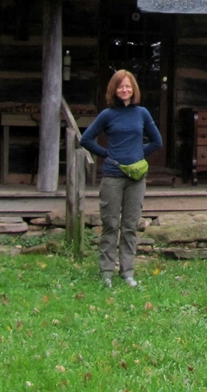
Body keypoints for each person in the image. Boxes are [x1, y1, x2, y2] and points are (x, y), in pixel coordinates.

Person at [80, 69, 162, 289]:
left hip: (136, 178)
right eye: (120, 86)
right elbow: (86, 139)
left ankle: (127, 273)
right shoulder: (107, 115)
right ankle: (106, 272)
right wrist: (107, 154)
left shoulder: (142, 113)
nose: (124, 90)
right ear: (114, 90)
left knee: (130, 226)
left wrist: (137, 155)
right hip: (112, 177)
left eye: (128, 86)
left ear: (133, 89)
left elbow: (157, 141)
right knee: (110, 224)